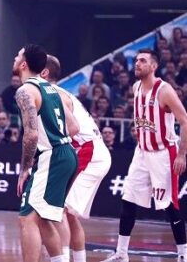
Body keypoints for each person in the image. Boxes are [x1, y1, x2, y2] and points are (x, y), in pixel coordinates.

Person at [102, 49, 187, 262]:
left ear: (154, 66)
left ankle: (183, 255)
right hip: (141, 152)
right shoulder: (136, 87)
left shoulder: (164, 91)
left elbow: (185, 121)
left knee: (170, 205)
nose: (137, 64)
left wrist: (182, 154)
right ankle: (121, 253)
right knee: (128, 199)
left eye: (142, 61)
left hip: (163, 153)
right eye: (136, 60)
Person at [43, 55, 112, 262]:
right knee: (70, 214)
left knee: (59, 209)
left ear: (44, 72)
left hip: (88, 150)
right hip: (90, 150)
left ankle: (62, 259)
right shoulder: (57, 92)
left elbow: (72, 129)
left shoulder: (54, 93)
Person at [15, 44, 79, 262]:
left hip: (52, 157)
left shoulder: (25, 91)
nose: (14, 58)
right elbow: (73, 127)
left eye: (17, 56)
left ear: (24, 64)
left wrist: (25, 168)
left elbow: (31, 135)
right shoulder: (51, 88)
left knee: (27, 219)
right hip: (66, 153)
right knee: (43, 219)